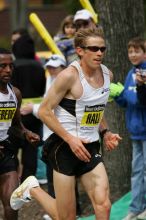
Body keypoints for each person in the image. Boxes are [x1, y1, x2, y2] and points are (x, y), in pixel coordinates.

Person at [0, 48, 40, 220]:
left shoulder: (14, 93)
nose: (8, 70)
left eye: (10, 66)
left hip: (5, 151)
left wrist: (26, 133)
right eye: (2, 66)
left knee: (12, 203)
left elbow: (15, 125)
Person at [113, 37, 146, 220]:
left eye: (137, 51)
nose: (133, 54)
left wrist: (138, 90)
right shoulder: (130, 73)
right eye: (130, 51)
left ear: (145, 53)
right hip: (135, 131)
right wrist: (117, 94)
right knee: (137, 171)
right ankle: (136, 208)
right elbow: (127, 101)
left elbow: (142, 102)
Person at [11, 34, 46, 181]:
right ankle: (29, 181)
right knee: (31, 149)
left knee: (12, 149)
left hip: (15, 114)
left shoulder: (13, 66)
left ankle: (12, 179)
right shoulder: (39, 67)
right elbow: (42, 89)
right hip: (34, 113)